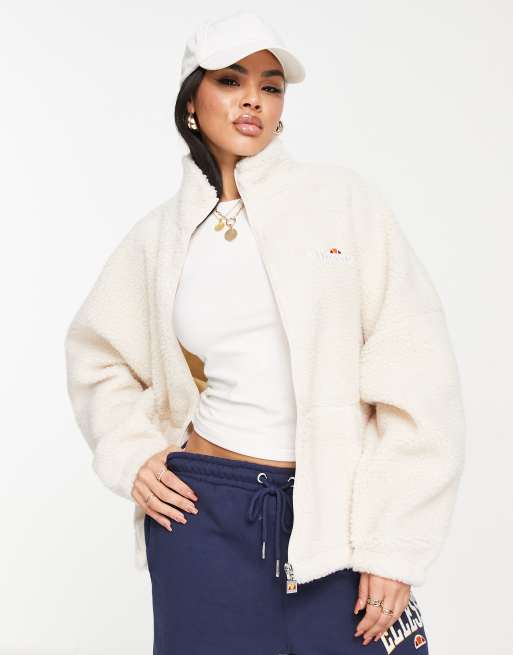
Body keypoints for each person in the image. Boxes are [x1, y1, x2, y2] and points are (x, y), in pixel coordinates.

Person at [64, 10, 466, 654]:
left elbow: (416, 374)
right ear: (191, 100)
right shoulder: (159, 239)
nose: (253, 98)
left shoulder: (343, 203)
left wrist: (393, 544)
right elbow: (99, 355)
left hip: (337, 520)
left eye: (270, 86)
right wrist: (133, 452)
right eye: (230, 80)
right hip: (205, 517)